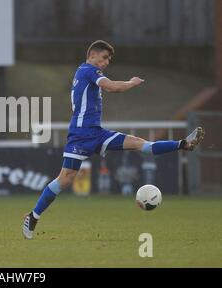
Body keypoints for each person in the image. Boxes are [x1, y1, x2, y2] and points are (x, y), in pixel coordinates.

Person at [22, 40, 205, 239]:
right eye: (104, 57)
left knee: (140, 144)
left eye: (108, 59)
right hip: (81, 135)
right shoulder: (88, 70)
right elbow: (111, 87)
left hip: (97, 133)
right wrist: (131, 83)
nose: (107, 62)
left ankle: (183, 144)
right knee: (65, 179)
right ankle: (33, 216)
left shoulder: (85, 72)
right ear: (92, 55)